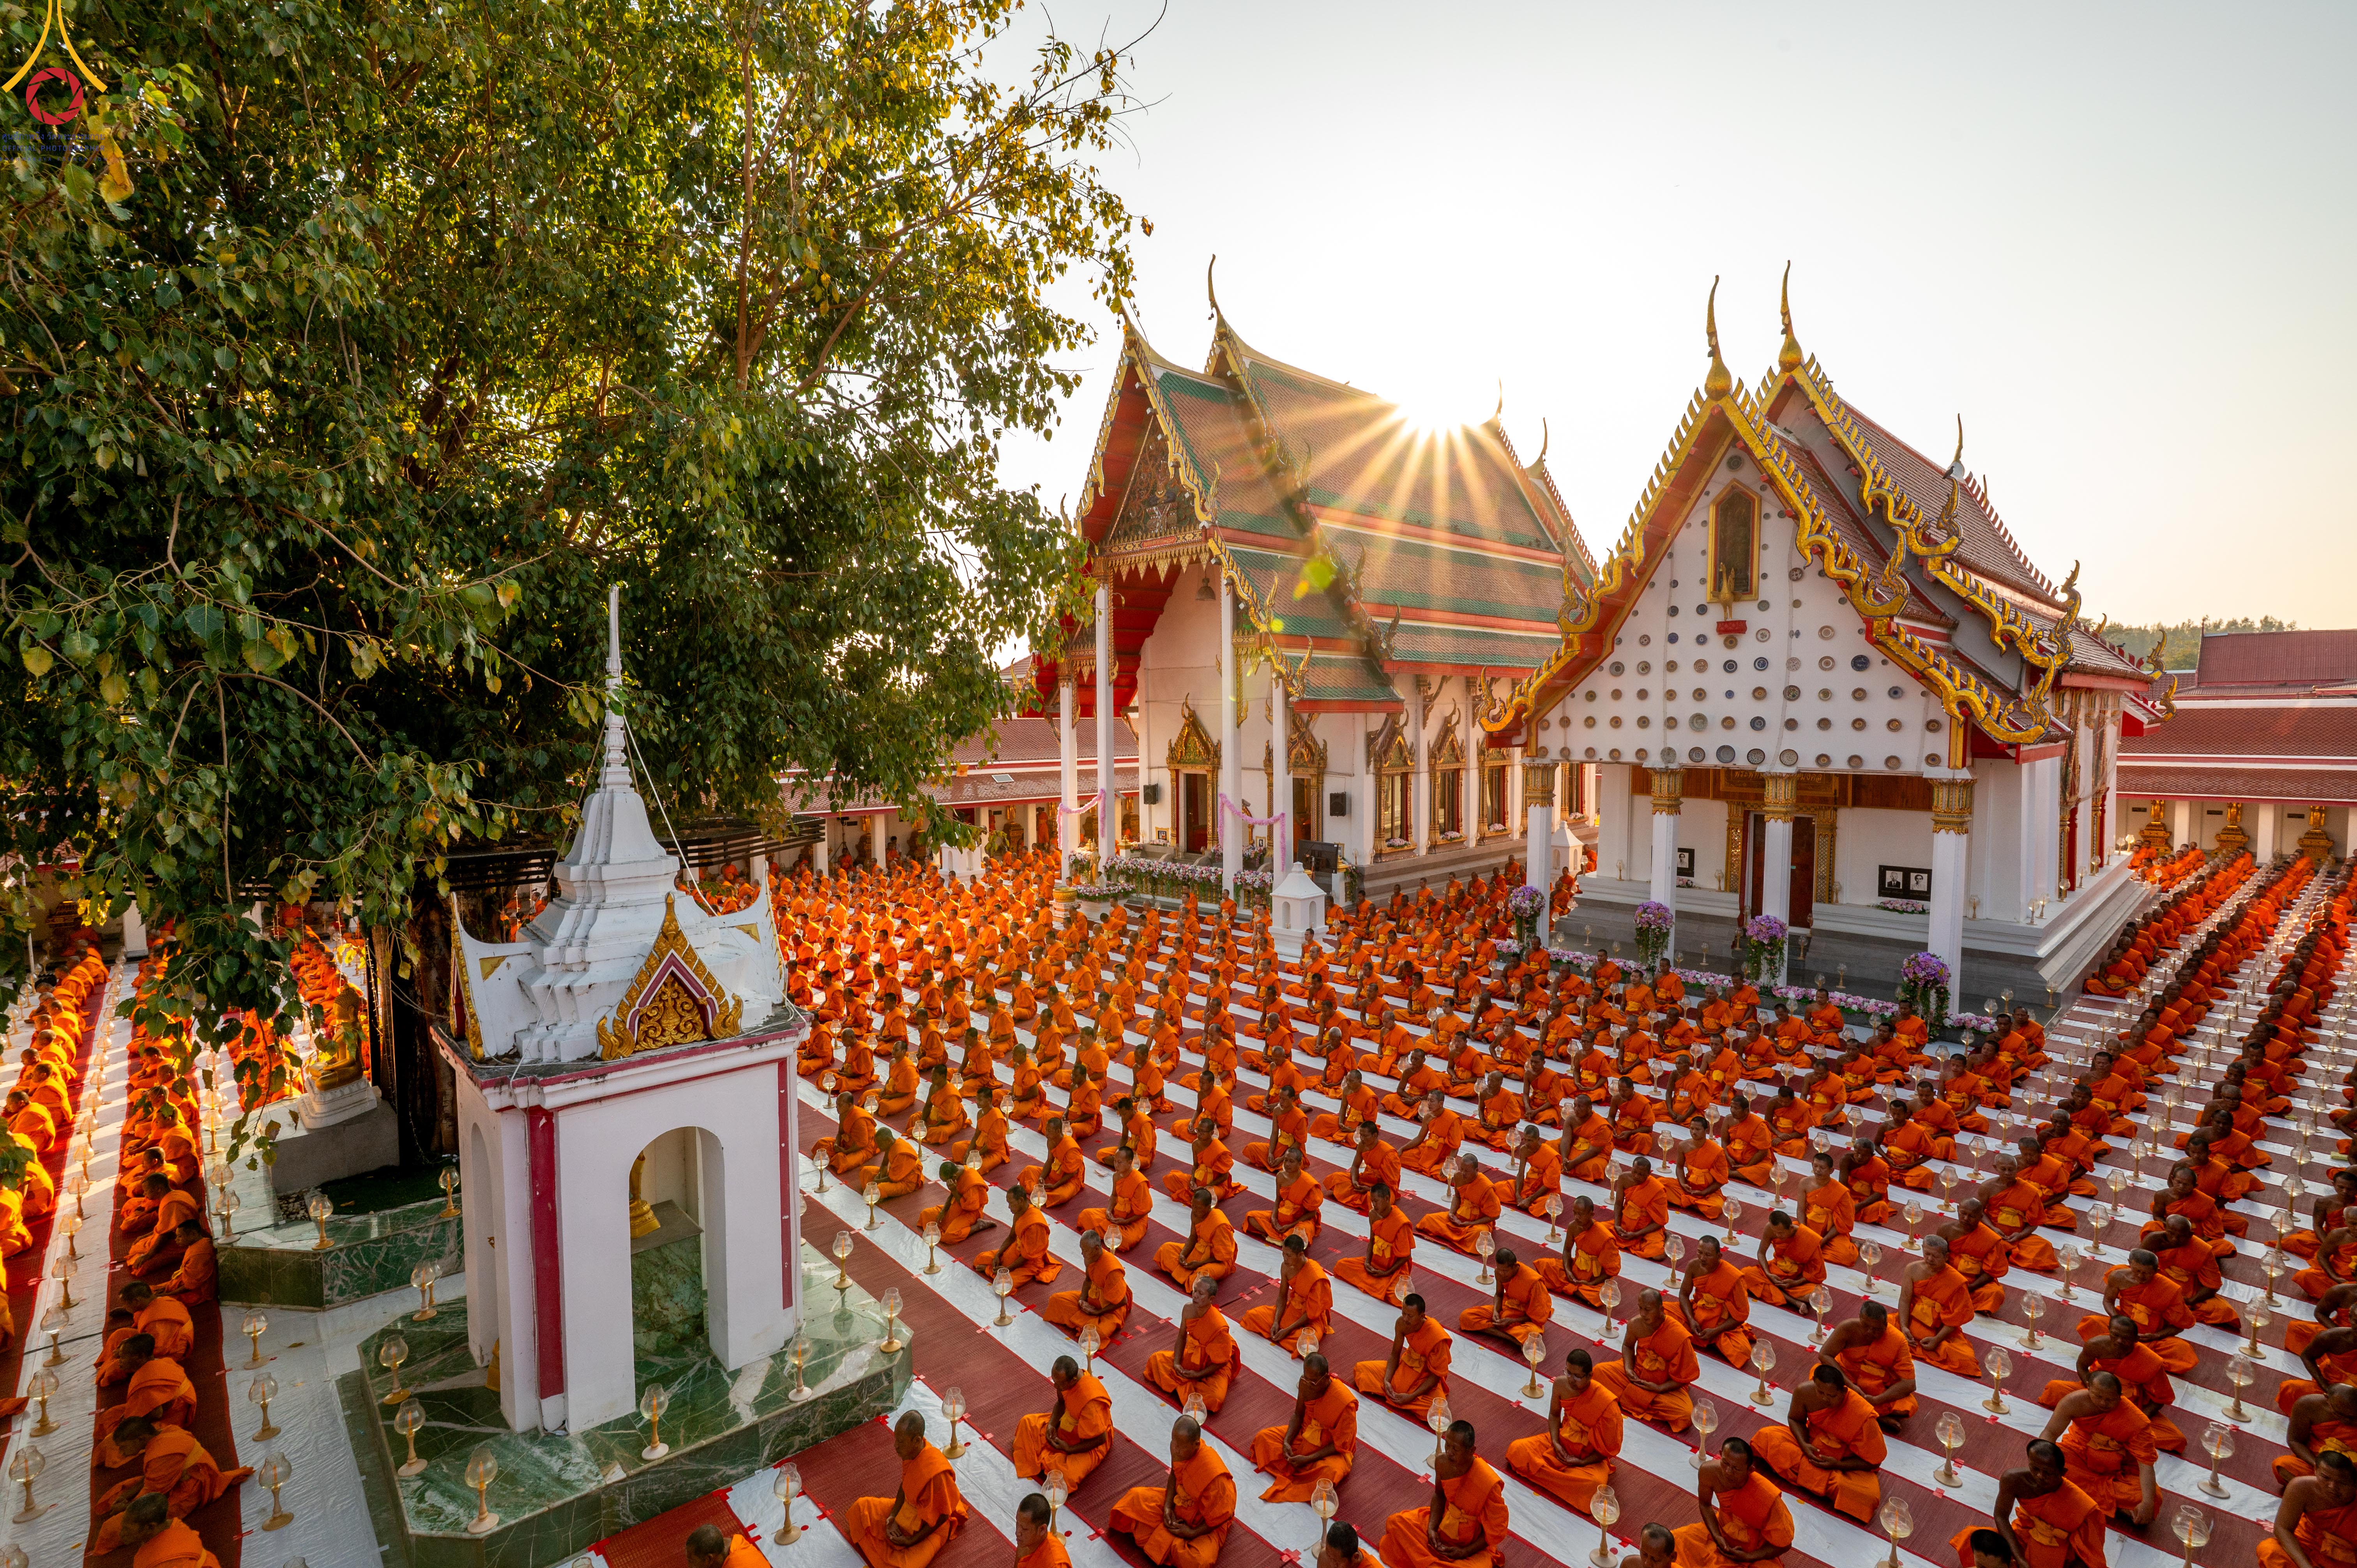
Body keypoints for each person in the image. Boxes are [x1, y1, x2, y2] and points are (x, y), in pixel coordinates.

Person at [88, 1419, 253, 1552]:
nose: (122, 1454)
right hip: (180, 1477)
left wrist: (127, 1509)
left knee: (113, 1527)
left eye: (124, 1447)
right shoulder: (166, 1431)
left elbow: (149, 1501)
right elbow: (152, 1480)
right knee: (123, 1491)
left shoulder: (160, 1455)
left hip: (194, 1487)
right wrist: (127, 1495)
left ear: (140, 1439)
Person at [1750, 1364, 1885, 1523]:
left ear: (1844, 1391)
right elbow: (1795, 1419)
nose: (1825, 1399)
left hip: (1843, 1461)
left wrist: (1837, 1465)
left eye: (1832, 1396)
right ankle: (1822, 1484)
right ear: (1814, 1383)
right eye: (1820, 1392)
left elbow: (1874, 1461)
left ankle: (1805, 1474)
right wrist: (1804, 1445)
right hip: (1811, 1444)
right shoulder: (1804, 1392)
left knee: (1868, 1497)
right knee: (1766, 1437)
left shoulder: (1862, 1413)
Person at [1948, 1439, 2106, 1568]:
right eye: (2035, 1468)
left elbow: (2089, 1552)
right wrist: (2019, 1557)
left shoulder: (2082, 1504)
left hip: (2057, 1551)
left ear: (2062, 1473)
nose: (2040, 1476)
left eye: (2048, 1473)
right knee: (1972, 1538)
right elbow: (2001, 1516)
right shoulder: (2014, 1479)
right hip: (2025, 1536)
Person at [844, 1409, 969, 1568]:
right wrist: (893, 1517)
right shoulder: (912, 1454)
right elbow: (905, 1485)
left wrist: (911, 1541)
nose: (896, 1446)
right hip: (908, 1509)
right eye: (896, 1440)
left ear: (917, 1441)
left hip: (931, 1527)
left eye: (901, 1442)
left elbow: (942, 1517)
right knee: (860, 1509)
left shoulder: (936, 1471)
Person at [1506, 1346, 1622, 1514]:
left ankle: (1548, 1473)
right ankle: (1562, 1478)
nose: (1571, 1380)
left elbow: (1608, 1450)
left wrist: (1582, 1462)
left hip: (1589, 1458)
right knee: (1517, 1450)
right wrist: (1555, 1442)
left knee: (1593, 1486)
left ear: (1590, 1376)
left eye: (1577, 1376)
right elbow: (1554, 1415)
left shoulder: (1608, 1405)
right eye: (1568, 1372)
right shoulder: (1561, 1384)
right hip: (1561, 1442)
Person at [1379, 1420, 1511, 1568]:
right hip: (1443, 1523)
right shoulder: (1442, 1462)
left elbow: (1493, 1532)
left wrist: (1464, 1552)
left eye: (1455, 1449)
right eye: (1447, 1445)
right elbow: (1439, 1495)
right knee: (1396, 1522)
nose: (1449, 1452)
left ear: (1471, 1451)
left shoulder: (1488, 1481)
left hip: (1470, 1544)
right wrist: (1432, 1528)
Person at [1108, 1416, 1235, 1568]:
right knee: (1133, 1499)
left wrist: (1191, 1533)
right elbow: (1175, 1473)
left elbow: (1221, 1517)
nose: (1175, 1449)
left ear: (1196, 1445)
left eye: (1180, 1447)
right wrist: (1168, 1507)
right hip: (1179, 1502)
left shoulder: (1215, 1478)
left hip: (1204, 1523)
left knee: (1198, 1561)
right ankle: (1171, 1543)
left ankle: (1164, 1541)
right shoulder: (1179, 1448)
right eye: (1173, 1442)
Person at [2038, 1372, 2158, 1525]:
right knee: (2054, 1465)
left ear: (2121, 1396)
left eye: (2110, 1400)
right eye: (2098, 1396)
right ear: (2088, 1388)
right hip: (2079, 1452)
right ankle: (2116, 1507)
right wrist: (2044, 1463)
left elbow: (2146, 1465)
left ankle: (2071, 1492)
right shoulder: (2073, 1402)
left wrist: (2147, 1503)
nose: (2103, 1403)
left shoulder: (2137, 1421)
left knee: (2149, 1498)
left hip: (2118, 1468)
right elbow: (2050, 1433)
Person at [1249, 1353, 1358, 1502]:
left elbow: (1340, 1445)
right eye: (1305, 1378)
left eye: (1312, 1382)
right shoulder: (1306, 1383)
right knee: (1263, 1438)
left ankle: (1300, 1470)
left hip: (1329, 1450)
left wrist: (1307, 1459)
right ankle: (1299, 1467)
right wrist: (1287, 1440)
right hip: (1304, 1435)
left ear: (1326, 1379)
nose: (1307, 1384)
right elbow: (1298, 1415)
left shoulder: (1345, 1403)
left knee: (1331, 1473)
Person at [1672, 1437, 1794, 1568]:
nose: (1728, 1472)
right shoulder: (1709, 1472)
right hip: (1722, 1531)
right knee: (1674, 1542)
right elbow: (1705, 1505)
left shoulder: (1767, 1495)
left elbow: (1785, 1545)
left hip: (1754, 1550)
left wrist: (1749, 1556)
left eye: (1736, 1469)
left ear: (1750, 1470)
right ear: (1721, 1454)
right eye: (1725, 1463)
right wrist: (1717, 1537)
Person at [1592, 1287, 1699, 1432]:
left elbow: (1685, 1377)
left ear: (1661, 1309)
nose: (1643, 1314)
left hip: (1663, 1386)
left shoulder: (1678, 1335)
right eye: (1640, 1308)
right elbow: (1628, 1346)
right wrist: (1629, 1369)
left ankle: (1630, 1398)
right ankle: (1640, 1400)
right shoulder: (1636, 1324)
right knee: (1598, 1372)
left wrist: (1660, 1388)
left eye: (1648, 1310)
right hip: (1637, 1375)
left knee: (1686, 1415)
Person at [1010, 1356, 1113, 1492]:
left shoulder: (1091, 1402)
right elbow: (1061, 1403)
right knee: (1027, 1423)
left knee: (1067, 1477)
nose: (1055, 1386)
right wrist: (1052, 1425)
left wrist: (1070, 1449)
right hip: (1067, 1423)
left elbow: (1101, 1438)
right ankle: (1050, 1458)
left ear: (1073, 1381)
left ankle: (1050, 1458)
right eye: (1055, 1381)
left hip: (1089, 1440)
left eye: (1059, 1385)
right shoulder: (1064, 1383)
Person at [1147, 1275, 1239, 1414]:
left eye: (1201, 1294)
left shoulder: (1219, 1326)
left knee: (1215, 1399)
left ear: (1211, 1299)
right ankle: (1189, 1388)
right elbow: (1182, 1336)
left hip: (1213, 1366)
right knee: (1156, 1360)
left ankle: (1184, 1386)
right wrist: (1177, 1363)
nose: (1195, 1295)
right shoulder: (1188, 1310)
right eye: (1195, 1291)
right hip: (1193, 1357)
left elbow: (1222, 1362)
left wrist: (1198, 1374)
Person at [1355, 1294, 1452, 1419]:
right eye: (1404, 1313)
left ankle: (1403, 1398)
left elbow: (1436, 1376)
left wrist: (1412, 1397)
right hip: (1406, 1366)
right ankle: (1399, 1396)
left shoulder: (1437, 1336)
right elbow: (1395, 1354)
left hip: (1426, 1375)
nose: (1406, 1319)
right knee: (1361, 1371)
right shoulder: (1401, 1324)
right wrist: (1387, 1380)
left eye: (1410, 1316)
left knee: (1439, 1414)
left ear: (1422, 1316)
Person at [1897, 1235, 1981, 1375]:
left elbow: (1957, 1317)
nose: (1930, 1259)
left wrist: (1937, 1340)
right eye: (1927, 1254)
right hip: (1913, 1318)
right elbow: (1905, 1299)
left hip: (1940, 1327)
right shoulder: (1912, 1270)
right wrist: (1904, 1327)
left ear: (1946, 1257)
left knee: (1965, 1361)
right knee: (1885, 1334)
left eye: (1935, 1256)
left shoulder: (1956, 1281)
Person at [2263, 1450, 2357, 1568]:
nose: (2332, 1487)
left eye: (2342, 1483)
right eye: (2326, 1478)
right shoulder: (2302, 1487)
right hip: (2309, 1545)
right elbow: (2283, 1528)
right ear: (2315, 1470)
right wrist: (2305, 1566)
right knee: (2269, 1551)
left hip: (2348, 1560)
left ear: (2355, 1483)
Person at [1042, 1229, 1132, 1344]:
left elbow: (1123, 1301)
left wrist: (1099, 1312)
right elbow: (1088, 1280)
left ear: (1096, 1249)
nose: (1082, 1254)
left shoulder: (1111, 1269)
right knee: (1056, 1301)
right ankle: (1086, 1322)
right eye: (1082, 1250)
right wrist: (1082, 1300)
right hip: (1092, 1299)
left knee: (1098, 1334)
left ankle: (1086, 1322)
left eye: (1085, 1251)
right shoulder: (1090, 1259)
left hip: (1111, 1308)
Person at [975, 1185, 1063, 1288]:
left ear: (1021, 1201)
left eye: (1011, 1203)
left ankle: (990, 1271)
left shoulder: (1034, 1225)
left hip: (1030, 1262)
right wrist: (998, 1255)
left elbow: (1027, 1256)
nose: (1009, 1207)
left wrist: (1007, 1269)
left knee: (1005, 1285)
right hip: (1017, 1249)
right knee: (979, 1260)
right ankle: (995, 1271)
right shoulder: (1019, 1212)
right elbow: (1012, 1237)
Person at [1156, 1187, 1239, 1293]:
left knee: (1201, 1276)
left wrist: (1200, 1264)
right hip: (1199, 1249)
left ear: (1208, 1208)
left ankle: (1187, 1275)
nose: (1194, 1210)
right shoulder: (1195, 1213)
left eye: (1198, 1208)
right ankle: (1187, 1274)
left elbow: (1223, 1257)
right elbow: (1193, 1237)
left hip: (1219, 1261)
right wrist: (1183, 1254)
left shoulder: (1219, 1225)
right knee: (1166, 1249)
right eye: (1193, 1205)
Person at [114, 1493, 225, 1568]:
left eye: (127, 1529)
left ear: (150, 1527)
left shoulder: (165, 1563)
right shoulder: (174, 1525)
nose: (121, 1533)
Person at [1014, 1490, 1072, 1568]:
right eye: (1017, 1523)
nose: (1018, 1533)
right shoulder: (1025, 1543)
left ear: (1042, 1530)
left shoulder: (1056, 1565)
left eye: (1025, 1529)